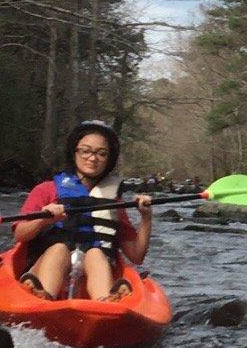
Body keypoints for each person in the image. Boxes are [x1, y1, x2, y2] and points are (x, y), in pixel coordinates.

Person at [13, 119, 153, 302]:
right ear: (74, 152)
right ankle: (43, 297)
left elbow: (136, 256)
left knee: (95, 252)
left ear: (109, 159)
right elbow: (20, 235)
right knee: (59, 249)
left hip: (92, 272)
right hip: (44, 264)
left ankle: (105, 302)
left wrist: (146, 218)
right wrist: (42, 220)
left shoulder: (113, 203)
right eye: (86, 151)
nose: (93, 158)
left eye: (102, 154)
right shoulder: (46, 190)